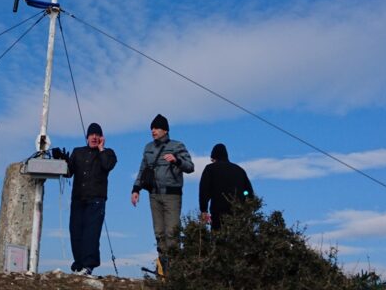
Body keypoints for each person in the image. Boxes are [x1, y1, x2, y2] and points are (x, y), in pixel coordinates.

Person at [131, 114, 193, 271]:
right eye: (152, 128)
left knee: (172, 233)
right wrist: (136, 189)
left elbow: (190, 167)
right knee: (159, 233)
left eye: (157, 128)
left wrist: (176, 160)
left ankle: (175, 271)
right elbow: (142, 170)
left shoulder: (177, 146)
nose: (153, 131)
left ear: (165, 130)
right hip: (154, 195)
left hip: (172, 195)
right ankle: (164, 271)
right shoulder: (148, 148)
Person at [65, 122, 117, 276]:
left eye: (97, 135)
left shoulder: (108, 153)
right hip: (78, 198)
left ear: (101, 137)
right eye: (91, 134)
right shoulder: (77, 152)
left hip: (96, 200)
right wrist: (62, 161)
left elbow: (107, 165)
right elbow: (68, 172)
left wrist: (101, 149)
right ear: (87, 137)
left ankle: (88, 265)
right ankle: (79, 264)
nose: (94, 137)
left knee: (91, 234)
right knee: (76, 232)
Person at [199, 143, 254, 230]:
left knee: (218, 235)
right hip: (237, 211)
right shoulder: (239, 170)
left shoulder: (210, 168)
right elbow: (248, 192)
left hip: (218, 211)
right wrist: (246, 203)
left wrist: (204, 210)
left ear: (214, 157)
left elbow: (204, 190)